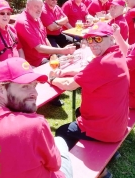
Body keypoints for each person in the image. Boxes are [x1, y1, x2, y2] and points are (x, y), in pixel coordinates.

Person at [0, 57, 73, 178]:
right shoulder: (35, 125)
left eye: (34, 85)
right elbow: (55, 165)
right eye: (25, 87)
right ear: (1, 90)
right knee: (60, 141)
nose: (35, 93)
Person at [48, 22, 129, 178]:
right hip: (118, 122)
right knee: (79, 111)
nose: (92, 43)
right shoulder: (116, 55)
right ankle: (113, 154)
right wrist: (65, 72)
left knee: (62, 132)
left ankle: (92, 171)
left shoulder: (103, 62)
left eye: (98, 39)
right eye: (90, 39)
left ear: (111, 39)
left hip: (108, 130)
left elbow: (69, 86)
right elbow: (87, 71)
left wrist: (52, 80)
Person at [14, 0, 76, 67]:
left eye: (41, 6)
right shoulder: (23, 22)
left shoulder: (36, 17)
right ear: (27, 6)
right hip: (36, 62)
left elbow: (45, 38)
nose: (39, 10)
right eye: (36, 6)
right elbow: (39, 48)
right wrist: (62, 51)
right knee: (64, 66)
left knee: (71, 60)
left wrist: (54, 55)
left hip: (46, 57)